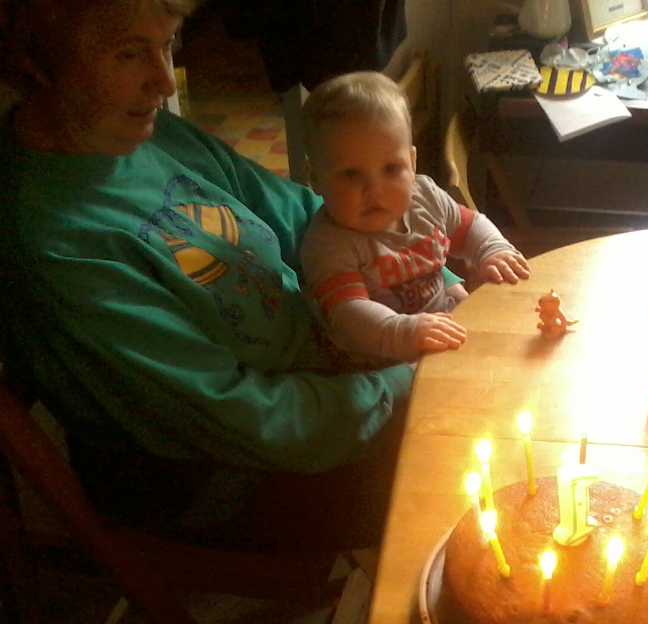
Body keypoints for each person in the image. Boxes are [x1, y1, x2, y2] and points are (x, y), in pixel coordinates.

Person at [0, 0, 454, 551]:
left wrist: (428, 277)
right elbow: (249, 419)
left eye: (166, 44)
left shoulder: (152, 135)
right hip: (224, 476)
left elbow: (303, 214)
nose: (165, 83)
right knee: (470, 472)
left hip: (336, 375)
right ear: (35, 63)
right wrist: (406, 378)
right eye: (128, 54)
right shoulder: (57, 249)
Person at [297, 71, 531, 366]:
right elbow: (348, 312)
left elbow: (471, 225)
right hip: (380, 359)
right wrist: (406, 332)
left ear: (412, 161)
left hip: (439, 324)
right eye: (351, 174)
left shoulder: (425, 197)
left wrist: (492, 251)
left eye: (391, 169)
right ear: (315, 178)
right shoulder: (328, 244)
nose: (375, 190)